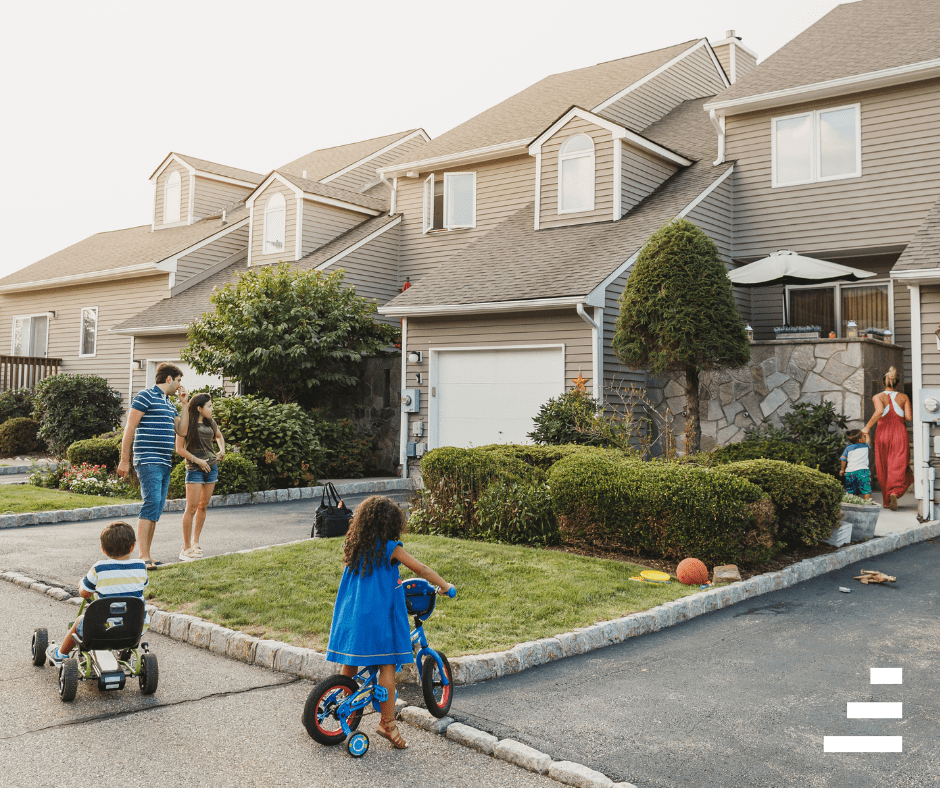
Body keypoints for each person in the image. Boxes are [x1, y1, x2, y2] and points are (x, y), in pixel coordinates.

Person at [325, 496, 454, 750]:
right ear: (391, 524)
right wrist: (445, 585)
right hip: (378, 617)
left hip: (351, 613)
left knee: (350, 661)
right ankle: (387, 722)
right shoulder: (390, 548)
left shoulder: (355, 545)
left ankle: (344, 704)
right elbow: (422, 569)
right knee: (387, 663)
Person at [117, 363, 190, 569]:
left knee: (156, 507)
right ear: (168, 379)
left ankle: (147, 554)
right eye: (178, 380)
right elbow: (129, 428)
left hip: (164, 460)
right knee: (150, 504)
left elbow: (182, 431)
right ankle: (143, 556)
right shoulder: (145, 396)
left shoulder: (169, 404)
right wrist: (125, 460)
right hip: (148, 458)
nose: (179, 386)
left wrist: (184, 405)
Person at [46, 521, 149, 665]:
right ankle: (125, 650)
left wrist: (82, 583)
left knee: (79, 622)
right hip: (135, 627)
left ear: (103, 549)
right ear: (133, 546)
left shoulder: (99, 568)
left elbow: (84, 594)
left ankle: (60, 654)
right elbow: (143, 585)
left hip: (103, 628)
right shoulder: (140, 566)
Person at [175, 393, 225, 562]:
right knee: (191, 508)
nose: (212, 409)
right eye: (209, 406)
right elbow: (179, 449)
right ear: (199, 408)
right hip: (195, 469)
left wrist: (222, 450)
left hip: (212, 469)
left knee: (203, 506)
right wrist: (198, 461)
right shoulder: (186, 424)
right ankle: (186, 547)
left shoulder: (210, 422)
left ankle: (196, 542)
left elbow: (219, 436)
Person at [861, 366, 914, 510]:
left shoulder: (877, 397)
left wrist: (867, 427)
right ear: (898, 384)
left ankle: (887, 500)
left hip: (883, 434)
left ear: (883, 383)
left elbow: (879, 411)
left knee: (883, 464)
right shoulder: (904, 397)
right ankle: (895, 492)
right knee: (899, 464)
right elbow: (908, 417)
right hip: (899, 433)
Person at [840, 429, 872, 501]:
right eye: (864, 437)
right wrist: (867, 433)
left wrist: (842, 470)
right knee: (866, 488)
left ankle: (850, 504)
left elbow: (843, 459)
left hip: (850, 472)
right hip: (862, 471)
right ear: (860, 440)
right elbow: (869, 441)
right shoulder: (865, 446)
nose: (865, 438)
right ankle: (868, 503)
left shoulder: (848, 448)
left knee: (850, 490)